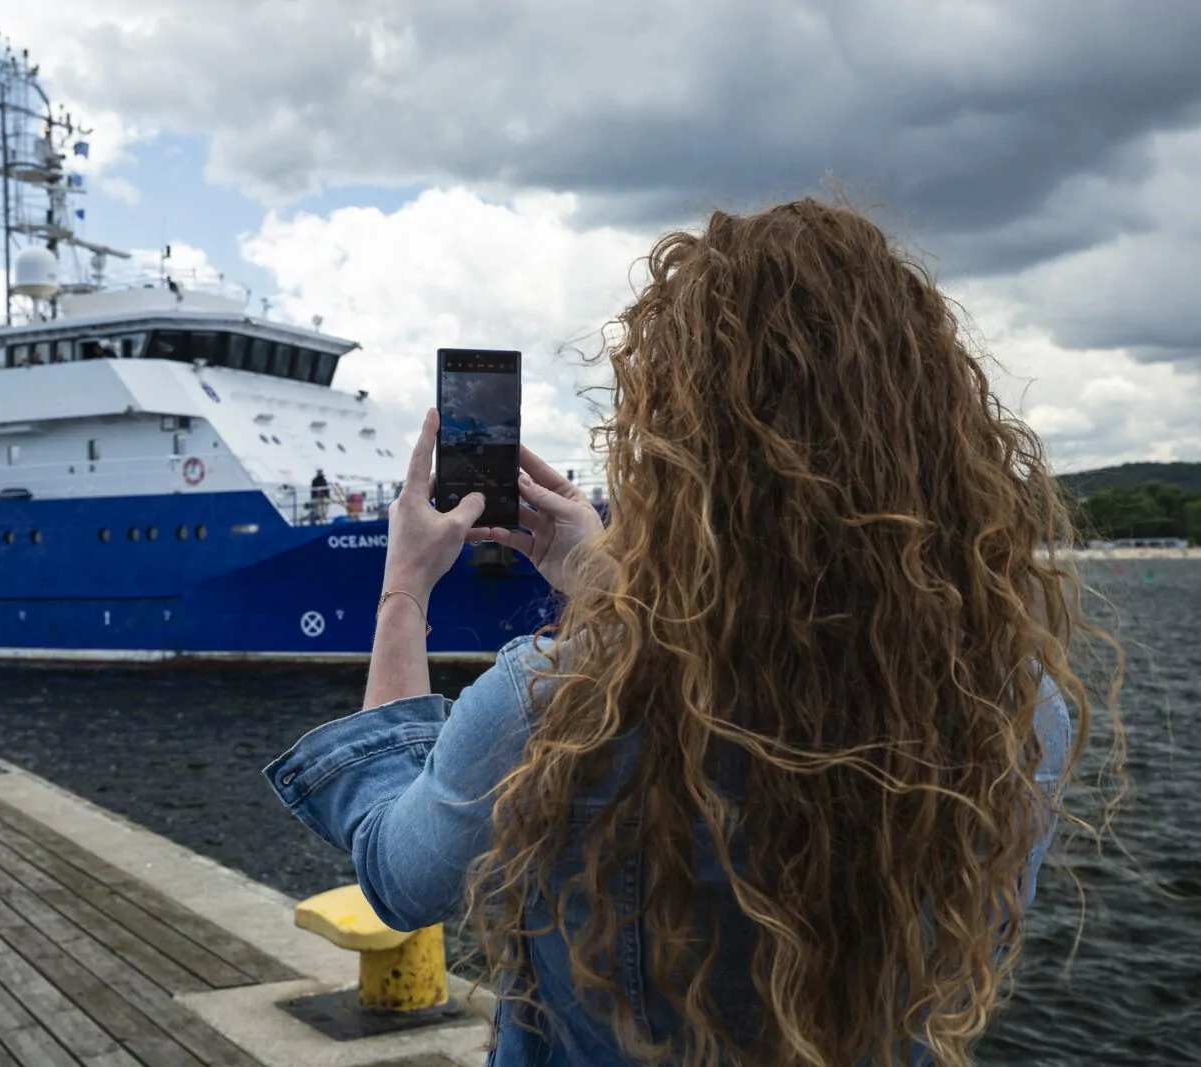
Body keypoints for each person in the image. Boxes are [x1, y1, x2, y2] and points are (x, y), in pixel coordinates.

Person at [265, 200, 1121, 1066]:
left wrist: (404, 590)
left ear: (675, 455)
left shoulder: (554, 703)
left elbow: (398, 876)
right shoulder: (1016, 707)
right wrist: (609, 584)